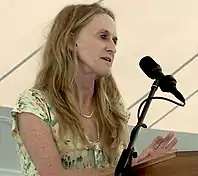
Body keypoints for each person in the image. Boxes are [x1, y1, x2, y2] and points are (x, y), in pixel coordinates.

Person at [11, 2, 178, 176]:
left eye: (114, 41)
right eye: (103, 36)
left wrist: (139, 164)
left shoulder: (113, 106)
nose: (112, 48)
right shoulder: (34, 104)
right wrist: (122, 170)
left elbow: (117, 172)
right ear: (70, 41)